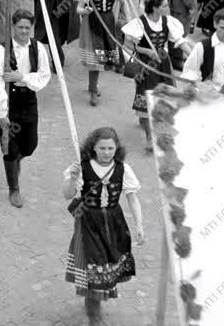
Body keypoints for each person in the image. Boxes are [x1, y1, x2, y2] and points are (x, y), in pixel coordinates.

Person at [63, 127, 144, 324]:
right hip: (88, 223)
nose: (106, 152)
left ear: (117, 148)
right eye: (102, 148)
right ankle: (94, 316)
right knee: (94, 267)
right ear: (94, 147)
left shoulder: (124, 168)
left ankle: (92, 304)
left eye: (110, 148)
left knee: (106, 268)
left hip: (114, 224)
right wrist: (73, 179)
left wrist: (139, 225)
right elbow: (67, 195)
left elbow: (132, 198)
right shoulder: (81, 167)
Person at [0, 8, 51, 208]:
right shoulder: (2, 50)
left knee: (30, 145)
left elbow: (43, 76)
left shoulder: (38, 47)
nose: (24, 31)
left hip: (29, 100)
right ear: (13, 27)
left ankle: (16, 161)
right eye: (20, 27)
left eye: (27, 27)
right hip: (9, 102)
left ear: (32, 28)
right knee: (9, 148)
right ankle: (13, 188)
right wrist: (1, 112)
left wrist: (21, 77)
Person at [122, 0, 191, 152]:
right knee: (146, 100)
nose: (168, 8)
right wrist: (145, 50)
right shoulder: (139, 23)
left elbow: (180, 42)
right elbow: (128, 45)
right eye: (165, 5)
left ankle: (162, 132)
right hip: (146, 66)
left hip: (163, 64)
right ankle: (149, 137)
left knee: (164, 97)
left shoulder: (169, 22)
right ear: (154, 8)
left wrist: (194, 55)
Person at [75, 0, 128, 107]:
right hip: (92, 23)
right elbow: (78, 8)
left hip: (108, 22)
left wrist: (127, 20)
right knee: (95, 60)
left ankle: (93, 85)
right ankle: (93, 91)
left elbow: (123, 3)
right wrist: (84, 10)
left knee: (105, 58)